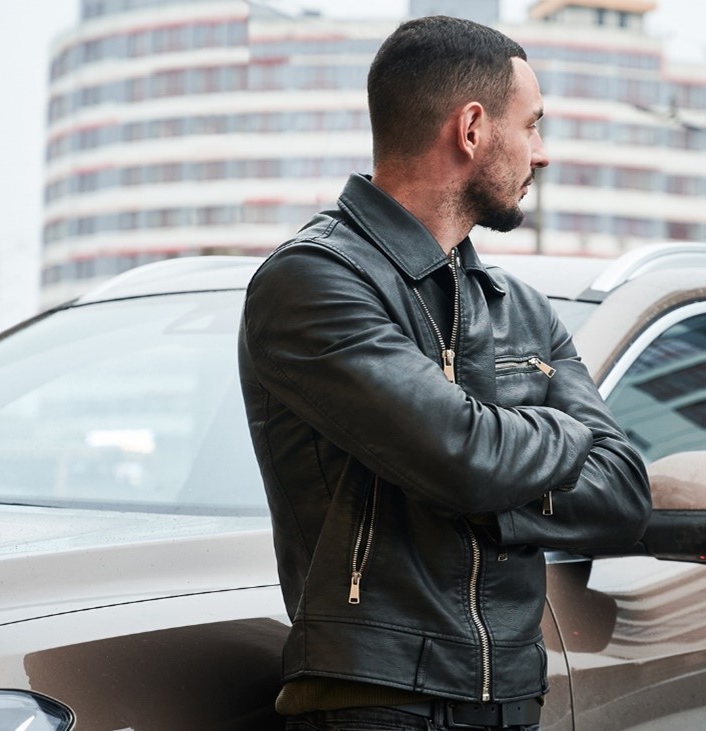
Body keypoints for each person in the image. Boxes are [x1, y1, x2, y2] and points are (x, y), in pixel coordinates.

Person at [237, 14, 652, 731]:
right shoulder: (313, 280)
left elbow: (620, 489)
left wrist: (485, 466)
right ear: (470, 128)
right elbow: (461, 454)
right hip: (377, 701)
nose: (541, 153)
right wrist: (553, 428)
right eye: (531, 126)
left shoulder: (517, 306)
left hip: (513, 699)